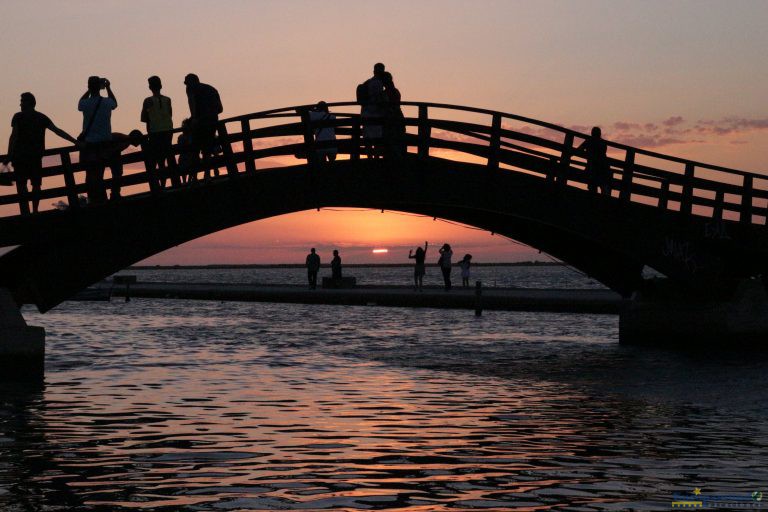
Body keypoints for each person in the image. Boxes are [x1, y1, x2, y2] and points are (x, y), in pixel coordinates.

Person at [4, 92, 77, 214]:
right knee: (36, 185)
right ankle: (35, 210)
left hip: (20, 157)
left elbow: (14, 137)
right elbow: (57, 131)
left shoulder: (18, 117)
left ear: (29, 103)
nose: (20, 104)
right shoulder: (41, 117)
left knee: (22, 185)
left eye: (22, 101)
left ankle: (26, 212)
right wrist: (74, 141)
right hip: (35, 156)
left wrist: (9, 154)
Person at [78, 76, 118, 204]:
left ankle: (92, 199)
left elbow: (79, 103)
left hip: (90, 143)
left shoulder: (85, 103)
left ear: (89, 87)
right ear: (100, 87)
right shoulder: (106, 102)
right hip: (105, 142)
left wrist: (89, 90)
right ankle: (101, 198)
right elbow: (115, 103)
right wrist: (108, 87)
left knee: (90, 174)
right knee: (100, 173)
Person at [141, 76, 178, 189]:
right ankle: (173, 183)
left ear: (150, 87)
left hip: (155, 132)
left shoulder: (148, 101)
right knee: (168, 158)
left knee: (156, 160)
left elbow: (143, 118)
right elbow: (170, 114)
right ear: (161, 86)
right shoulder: (168, 99)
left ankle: (158, 186)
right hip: (168, 131)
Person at [184, 73, 223, 180]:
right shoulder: (212, 89)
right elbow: (220, 109)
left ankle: (194, 178)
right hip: (212, 123)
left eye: (187, 84)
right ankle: (207, 175)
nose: (186, 86)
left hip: (200, 125)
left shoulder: (192, 90)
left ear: (191, 83)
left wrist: (194, 119)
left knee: (195, 150)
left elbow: (193, 108)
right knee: (207, 150)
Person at [359, 63, 387, 159]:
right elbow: (378, 98)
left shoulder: (368, 82)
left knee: (367, 138)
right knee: (377, 139)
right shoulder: (378, 83)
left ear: (374, 71)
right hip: (375, 114)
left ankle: (369, 157)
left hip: (365, 113)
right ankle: (375, 158)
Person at [578, 126, 611, 195]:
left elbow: (579, 150)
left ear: (592, 133)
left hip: (592, 168)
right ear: (600, 134)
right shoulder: (603, 143)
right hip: (604, 168)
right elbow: (604, 153)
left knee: (593, 186)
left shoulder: (589, 140)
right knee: (603, 187)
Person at [381, 71, 405, 159]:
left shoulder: (385, 93)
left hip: (391, 119)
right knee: (399, 142)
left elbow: (388, 107)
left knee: (391, 142)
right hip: (399, 117)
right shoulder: (396, 91)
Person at [177, 118, 199, 184]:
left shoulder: (183, 137)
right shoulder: (182, 137)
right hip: (185, 158)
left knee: (193, 159)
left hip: (188, 158)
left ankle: (188, 180)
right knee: (193, 159)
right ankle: (187, 180)